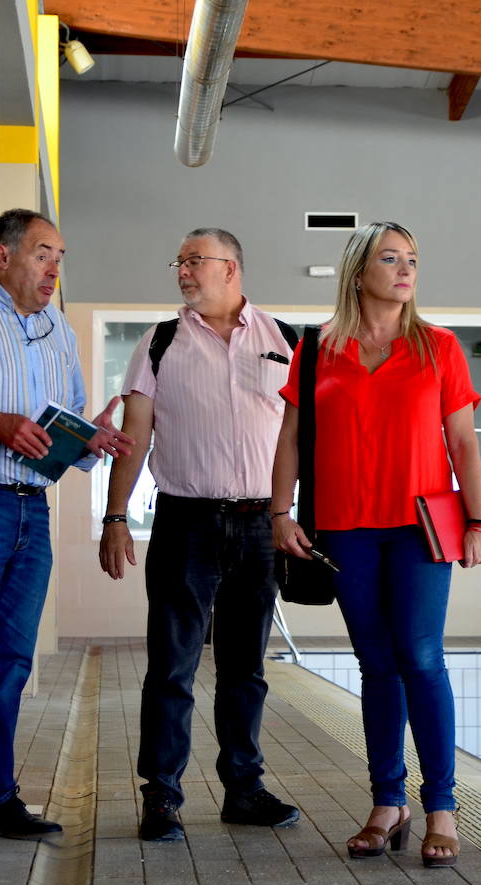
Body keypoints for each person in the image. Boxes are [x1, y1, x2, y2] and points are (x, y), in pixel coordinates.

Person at [271, 221, 481, 869]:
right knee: (376, 664)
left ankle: (441, 808)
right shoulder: (317, 351)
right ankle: (387, 802)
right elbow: (289, 439)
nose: (404, 270)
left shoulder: (439, 347)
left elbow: (464, 444)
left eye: (412, 260)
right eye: (389, 258)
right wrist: (280, 512)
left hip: (421, 528)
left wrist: (479, 521)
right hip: (344, 528)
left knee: (421, 657)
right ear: (357, 271)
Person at [0, 209, 133, 851]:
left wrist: (91, 439)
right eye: (44, 254)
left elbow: (58, 428)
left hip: (30, 509)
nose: (55, 268)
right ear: (1, 257)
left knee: (10, 660)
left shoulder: (59, 330)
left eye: (60, 256)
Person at [99, 228, 301, 842]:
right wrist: (114, 517)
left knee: (246, 667)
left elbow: (306, 438)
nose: (182, 271)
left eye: (195, 261)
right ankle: (161, 796)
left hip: (261, 522)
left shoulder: (287, 341)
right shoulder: (160, 342)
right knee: (171, 665)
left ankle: (244, 788)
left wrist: (299, 515)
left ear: (231, 268)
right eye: (179, 261)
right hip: (185, 521)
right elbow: (133, 436)